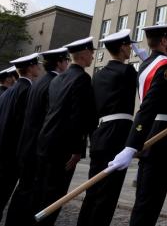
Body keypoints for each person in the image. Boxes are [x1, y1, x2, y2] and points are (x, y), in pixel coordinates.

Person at [107, 23, 167, 226]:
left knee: (144, 200)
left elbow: (159, 101)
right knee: (150, 203)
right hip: (162, 140)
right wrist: (131, 146)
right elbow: (149, 106)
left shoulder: (146, 63)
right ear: (164, 41)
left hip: (151, 136)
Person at [77, 29, 139, 226]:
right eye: (128, 45)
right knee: (108, 194)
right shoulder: (128, 71)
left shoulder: (98, 75)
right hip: (117, 134)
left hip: (100, 134)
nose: (131, 49)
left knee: (93, 189)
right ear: (122, 48)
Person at [34, 38, 97, 226]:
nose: (93, 55)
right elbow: (79, 116)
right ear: (84, 54)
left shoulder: (57, 78)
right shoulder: (82, 78)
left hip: (45, 142)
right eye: (91, 52)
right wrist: (77, 149)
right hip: (63, 147)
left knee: (41, 193)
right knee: (54, 196)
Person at [5, 48, 70, 226]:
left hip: (26, 146)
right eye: (66, 60)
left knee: (24, 191)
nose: (68, 64)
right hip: (37, 147)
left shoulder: (38, 83)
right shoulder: (53, 83)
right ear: (59, 62)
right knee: (32, 193)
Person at [0, 53, 41, 221]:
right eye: (36, 65)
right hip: (13, 155)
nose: (39, 67)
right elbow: (26, 126)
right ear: (30, 68)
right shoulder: (28, 91)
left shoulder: (8, 92)